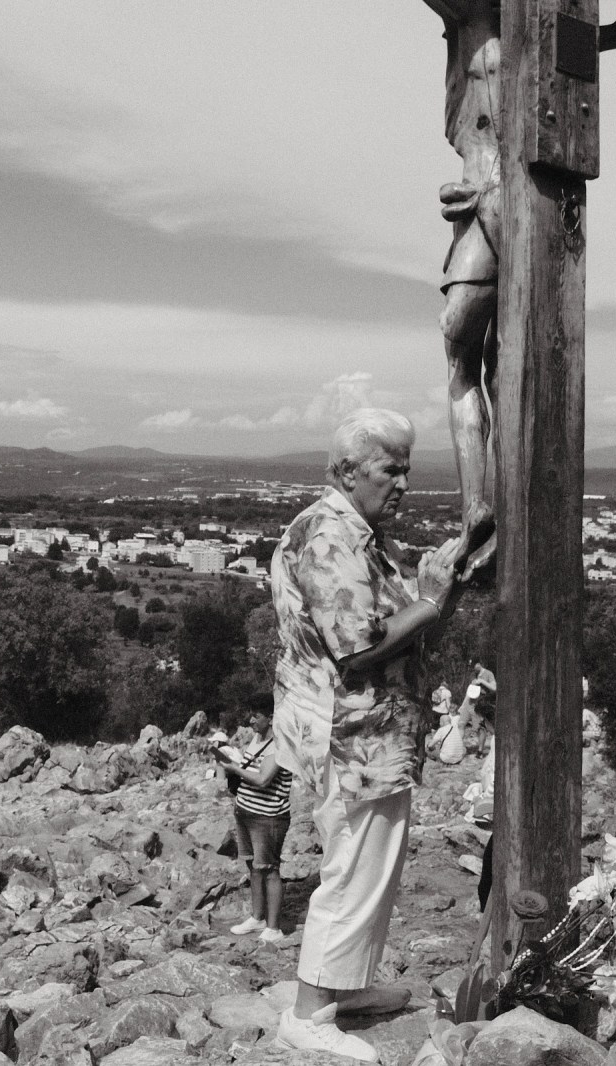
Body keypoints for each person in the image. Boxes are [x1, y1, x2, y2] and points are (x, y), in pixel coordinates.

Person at [271, 408, 464, 1062]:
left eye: (407, 466)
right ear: (348, 471)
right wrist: (432, 602)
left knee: (370, 866)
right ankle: (310, 1011)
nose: (404, 481)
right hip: (351, 734)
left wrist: (439, 593)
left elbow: (396, 618)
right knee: (354, 868)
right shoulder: (330, 538)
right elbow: (357, 649)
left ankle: (344, 986)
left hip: (369, 732)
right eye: (391, 468)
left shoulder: (359, 533)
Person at [434, 1, 503, 576]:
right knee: (463, 352)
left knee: (501, 362)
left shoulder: (503, 27)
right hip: (478, 207)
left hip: (505, 203)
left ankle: (501, 506)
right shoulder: (469, 27)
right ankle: (477, 507)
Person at [216, 710, 293, 944]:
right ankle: (258, 917)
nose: (250, 722)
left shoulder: (280, 745)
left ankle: (274, 927)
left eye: (255, 717)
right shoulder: (256, 739)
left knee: (269, 869)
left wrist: (234, 769)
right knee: (253, 865)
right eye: (249, 716)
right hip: (246, 811)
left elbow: (263, 779)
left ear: (270, 717)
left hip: (267, 816)